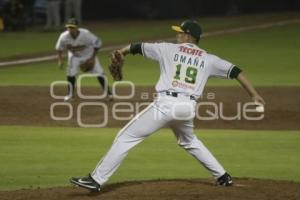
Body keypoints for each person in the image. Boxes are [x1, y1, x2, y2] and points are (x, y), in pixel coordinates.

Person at [70, 20, 265, 191]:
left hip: (166, 105)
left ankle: (96, 179)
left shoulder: (167, 49)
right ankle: (223, 177)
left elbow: (137, 47)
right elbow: (237, 71)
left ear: (188, 35)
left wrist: (122, 51)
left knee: (126, 136)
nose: (177, 34)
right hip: (187, 108)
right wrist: (254, 95)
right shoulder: (209, 59)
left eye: (180, 32)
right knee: (189, 141)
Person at [55, 18, 112, 101]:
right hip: (74, 57)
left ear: (77, 27)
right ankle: (70, 95)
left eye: (72, 27)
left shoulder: (86, 34)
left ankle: (109, 94)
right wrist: (60, 60)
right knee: (70, 72)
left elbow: (98, 43)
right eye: (69, 27)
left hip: (89, 55)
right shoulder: (63, 36)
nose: (70, 29)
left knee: (99, 72)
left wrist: (92, 58)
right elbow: (59, 48)